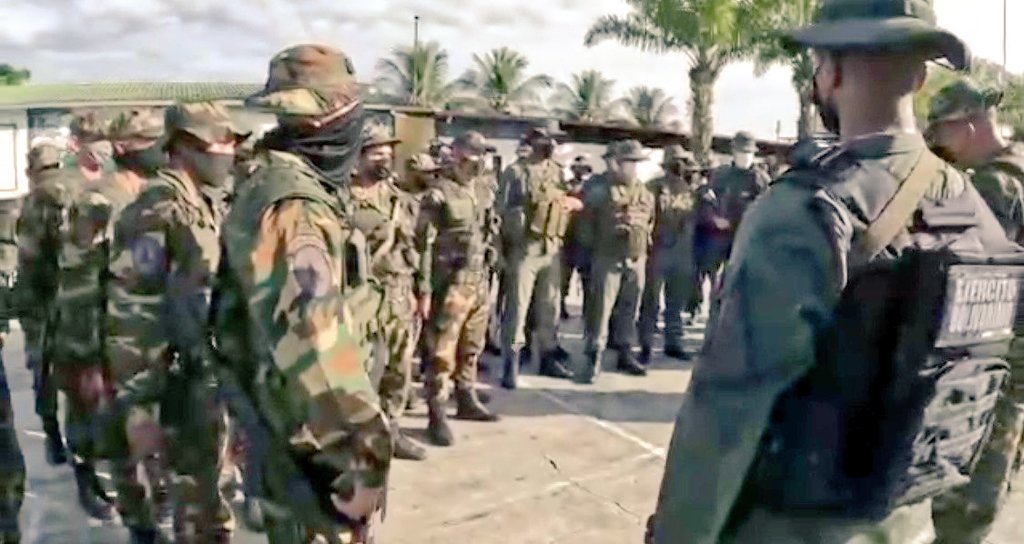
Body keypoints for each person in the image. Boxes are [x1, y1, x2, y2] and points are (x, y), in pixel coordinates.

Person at [648, 2, 1024, 543]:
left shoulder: (808, 207)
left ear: (831, 72)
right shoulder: (971, 203)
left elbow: (728, 405)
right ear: (919, 78)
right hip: (907, 524)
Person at [215, 44, 392, 544]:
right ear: (322, 121)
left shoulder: (271, 178)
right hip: (311, 446)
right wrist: (364, 460)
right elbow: (317, 348)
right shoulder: (296, 207)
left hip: (284, 421)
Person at [106, 102, 243, 543]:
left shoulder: (202, 200)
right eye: (221, 143)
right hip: (180, 384)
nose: (229, 154)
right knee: (199, 510)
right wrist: (139, 406)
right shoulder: (156, 207)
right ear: (185, 146)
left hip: (210, 376)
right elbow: (133, 309)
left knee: (212, 499)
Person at [926, 79, 1024, 544]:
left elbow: (971, 275)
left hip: (1000, 355)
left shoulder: (993, 184)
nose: (939, 148)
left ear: (966, 127)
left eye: (940, 134)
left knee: (971, 482)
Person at [418, 131, 502, 447]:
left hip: (478, 279)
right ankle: (436, 411)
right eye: (471, 153)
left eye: (481, 154)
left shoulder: (483, 189)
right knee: (442, 351)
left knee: (472, 344)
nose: (477, 160)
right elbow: (423, 244)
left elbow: (488, 228)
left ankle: (466, 396)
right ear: (455, 154)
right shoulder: (439, 192)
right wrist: (424, 288)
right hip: (450, 283)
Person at [349, 125, 427, 462]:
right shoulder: (341, 199)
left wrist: (421, 290)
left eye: (388, 152)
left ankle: (391, 430)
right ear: (358, 157)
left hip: (398, 294)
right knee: (361, 370)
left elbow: (415, 248)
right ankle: (359, 437)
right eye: (376, 152)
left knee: (399, 368)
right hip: (361, 299)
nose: (384, 158)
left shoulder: (398, 198)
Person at [497, 122, 582, 388]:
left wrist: (571, 203)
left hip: (552, 247)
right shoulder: (515, 172)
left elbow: (563, 200)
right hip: (524, 248)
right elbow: (498, 214)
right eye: (547, 141)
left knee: (550, 307)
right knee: (517, 309)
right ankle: (511, 362)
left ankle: (548, 356)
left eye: (554, 141)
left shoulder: (556, 171)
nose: (551, 146)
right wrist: (499, 253)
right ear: (533, 142)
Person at [15, 143, 75, 468]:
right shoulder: (78, 190)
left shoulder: (34, 202)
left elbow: (30, 257)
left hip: (42, 299)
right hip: (77, 297)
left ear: (31, 171)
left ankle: (53, 437)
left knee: (42, 369)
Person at [578, 140, 654, 383]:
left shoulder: (644, 192)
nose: (633, 168)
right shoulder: (600, 190)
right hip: (607, 257)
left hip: (636, 258)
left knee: (630, 309)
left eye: (635, 163)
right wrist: (589, 257)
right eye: (628, 163)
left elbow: (650, 222)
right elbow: (585, 226)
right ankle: (594, 356)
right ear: (617, 163)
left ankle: (625, 352)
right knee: (600, 310)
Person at [927, 79, 1024, 243]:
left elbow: (980, 251)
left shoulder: (992, 185)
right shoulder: (1018, 160)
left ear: (968, 131)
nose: (934, 142)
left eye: (938, 133)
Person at [638, 145, 701, 365]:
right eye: (676, 162)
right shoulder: (653, 187)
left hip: (682, 251)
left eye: (683, 162)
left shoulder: (690, 190)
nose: (680, 166)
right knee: (651, 302)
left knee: (676, 302)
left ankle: (673, 343)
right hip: (658, 249)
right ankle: (645, 345)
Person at [695, 131, 770, 300]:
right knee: (717, 288)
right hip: (720, 239)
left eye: (748, 153)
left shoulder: (761, 180)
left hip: (748, 241)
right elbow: (706, 201)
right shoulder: (720, 176)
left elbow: (768, 212)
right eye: (741, 152)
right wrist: (714, 219)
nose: (745, 157)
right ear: (734, 153)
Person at [561, 155, 593, 320]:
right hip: (567, 235)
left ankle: (588, 310)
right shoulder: (566, 186)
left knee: (587, 278)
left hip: (585, 238)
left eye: (583, 169)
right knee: (564, 277)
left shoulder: (591, 189)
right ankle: (560, 306)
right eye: (577, 169)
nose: (580, 172)